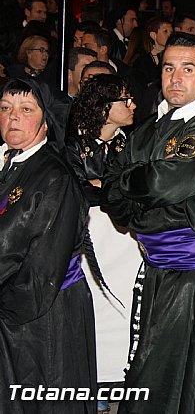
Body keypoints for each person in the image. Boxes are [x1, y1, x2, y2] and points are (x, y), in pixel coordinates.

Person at [101, 32, 195, 413]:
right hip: (158, 270)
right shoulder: (147, 128)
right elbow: (113, 191)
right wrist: (133, 191)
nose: (175, 78)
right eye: (168, 68)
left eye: (187, 68)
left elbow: (165, 181)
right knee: (153, 371)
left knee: (194, 379)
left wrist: (132, 187)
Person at [0, 78, 95, 413]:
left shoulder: (55, 176)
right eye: (5, 108)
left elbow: (42, 264)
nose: (12, 118)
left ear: (45, 121)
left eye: (25, 110)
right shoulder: (13, 163)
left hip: (43, 311)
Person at [67, 74, 133, 206]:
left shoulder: (131, 141)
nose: (133, 106)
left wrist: (98, 183)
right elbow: (76, 190)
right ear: (103, 107)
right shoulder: (74, 145)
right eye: (126, 100)